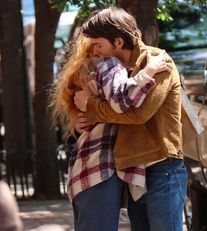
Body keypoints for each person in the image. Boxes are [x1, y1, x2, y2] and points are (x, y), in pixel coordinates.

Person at [74, 7, 188, 231]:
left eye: (98, 45)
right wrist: (87, 119)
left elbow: (137, 114)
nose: (96, 52)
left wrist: (91, 106)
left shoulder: (156, 61)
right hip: (133, 171)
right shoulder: (116, 71)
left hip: (162, 167)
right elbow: (113, 114)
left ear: (117, 42)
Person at [50, 32, 173, 231]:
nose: (98, 50)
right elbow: (122, 101)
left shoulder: (88, 67)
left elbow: (88, 110)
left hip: (89, 165)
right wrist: (149, 70)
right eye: (95, 45)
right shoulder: (108, 63)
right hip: (100, 164)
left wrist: (89, 110)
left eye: (99, 44)